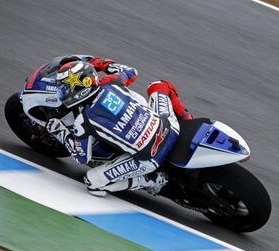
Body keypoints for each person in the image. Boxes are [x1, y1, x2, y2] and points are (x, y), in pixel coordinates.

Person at [44, 55, 192, 196]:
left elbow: (81, 157)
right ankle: (188, 120)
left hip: (149, 159)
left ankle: (151, 180)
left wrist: (60, 131)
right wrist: (98, 63)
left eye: (64, 88)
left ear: (77, 90)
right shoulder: (110, 82)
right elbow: (130, 72)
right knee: (159, 85)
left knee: (92, 182)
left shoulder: (83, 121)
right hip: (170, 127)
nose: (61, 92)